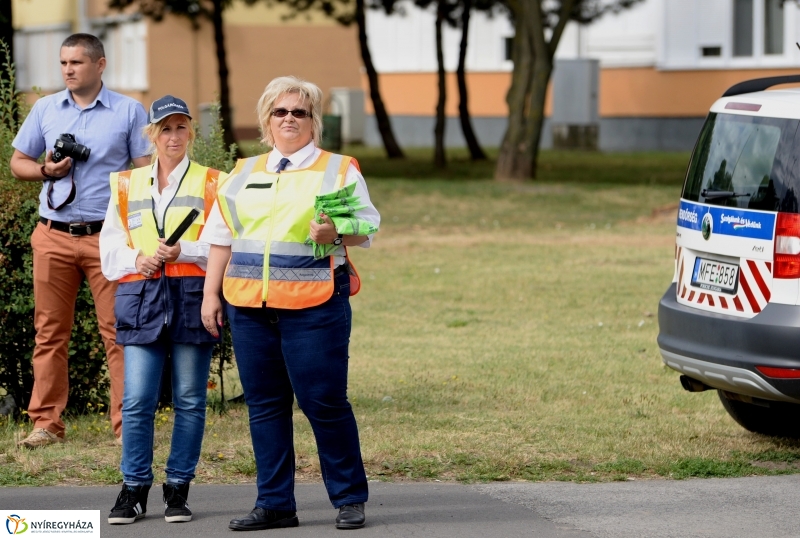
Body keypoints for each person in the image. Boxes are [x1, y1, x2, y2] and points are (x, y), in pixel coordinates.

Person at [200, 76, 380, 531]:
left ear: (313, 119)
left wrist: (336, 233)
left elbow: (368, 227)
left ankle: (349, 499)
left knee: (323, 401)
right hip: (248, 306)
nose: (289, 119)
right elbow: (221, 239)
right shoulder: (242, 172)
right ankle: (276, 503)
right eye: (280, 112)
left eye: (299, 112)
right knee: (264, 405)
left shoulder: (337, 169)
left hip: (315, 306)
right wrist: (210, 296)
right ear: (266, 119)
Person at [10, 33, 151, 449]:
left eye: (77, 62)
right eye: (64, 63)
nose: (69, 70)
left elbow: (143, 173)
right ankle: (46, 424)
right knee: (49, 332)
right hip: (52, 235)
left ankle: (128, 427)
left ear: (100, 64)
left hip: (108, 239)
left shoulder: (128, 111)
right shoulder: (45, 108)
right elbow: (18, 162)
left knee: (119, 333)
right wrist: (45, 172)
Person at [99, 95, 222, 524]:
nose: (173, 136)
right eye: (165, 128)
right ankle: (133, 488)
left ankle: (177, 488)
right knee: (136, 401)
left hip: (192, 298)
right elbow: (109, 249)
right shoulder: (126, 183)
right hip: (142, 296)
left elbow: (225, 246)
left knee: (189, 400)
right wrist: (138, 259)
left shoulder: (213, 182)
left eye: (181, 127)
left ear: (191, 131)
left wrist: (183, 248)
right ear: (151, 134)